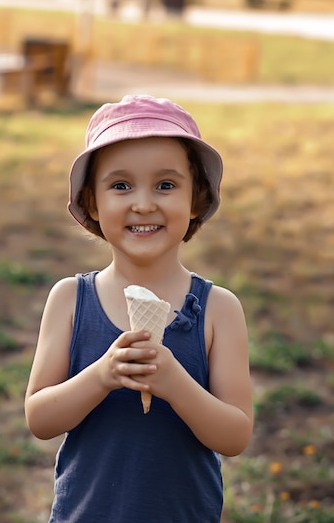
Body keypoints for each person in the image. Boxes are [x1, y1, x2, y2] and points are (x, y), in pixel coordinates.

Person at [25, 94, 253, 523]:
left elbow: (236, 434)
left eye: (166, 185)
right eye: (120, 185)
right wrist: (102, 375)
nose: (144, 203)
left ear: (196, 200)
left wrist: (174, 383)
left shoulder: (218, 309)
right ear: (92, 203)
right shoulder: (70, 300)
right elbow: (39, 417)